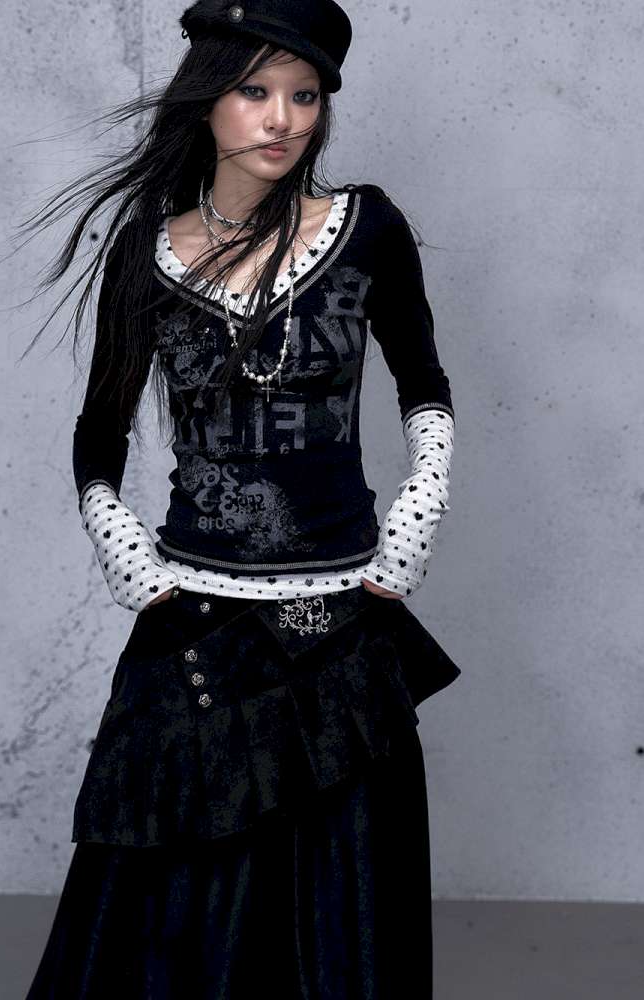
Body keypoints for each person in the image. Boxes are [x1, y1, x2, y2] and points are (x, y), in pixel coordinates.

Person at [23, 1, 461, 996]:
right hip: (196, 625)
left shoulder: (366, 229)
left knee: (339, 916)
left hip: (337, 625)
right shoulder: (147, 250)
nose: (282, 119)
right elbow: (99, 433)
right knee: (177, 918)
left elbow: (425, 384)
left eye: (305, 96)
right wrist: (125, 551)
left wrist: (417, 514)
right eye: (255, 90)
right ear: (207, 98)